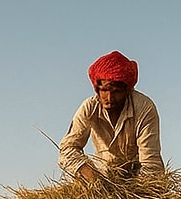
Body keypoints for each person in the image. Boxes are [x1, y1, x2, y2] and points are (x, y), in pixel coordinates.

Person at [58, 50, 163, 181]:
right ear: (97, 89)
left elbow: (151, 164)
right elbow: (67, 149)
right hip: (103, 177)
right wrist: (94, 178)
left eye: (116, 92)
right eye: (104, 90)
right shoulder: (89, 108)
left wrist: (135, 194)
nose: (109, 98)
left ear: (128, 90)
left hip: (139, 179)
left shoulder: (144, 108)